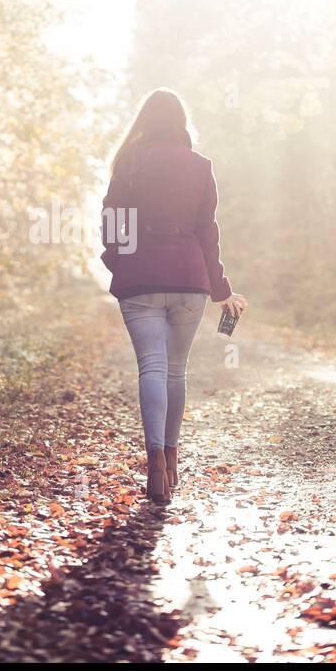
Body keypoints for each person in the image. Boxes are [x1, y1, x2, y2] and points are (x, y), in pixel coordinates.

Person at [99, 88, 247, 505]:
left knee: (152, 367)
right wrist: (221, 288)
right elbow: (207, 232)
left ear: (144, 120)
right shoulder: (200, 166)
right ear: (181, 120)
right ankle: (172, 457)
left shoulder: (130, 162)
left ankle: (155, 466)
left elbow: (112, 222)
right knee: (176, 371)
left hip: (140, 277)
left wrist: (119, 260)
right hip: (189, 277)